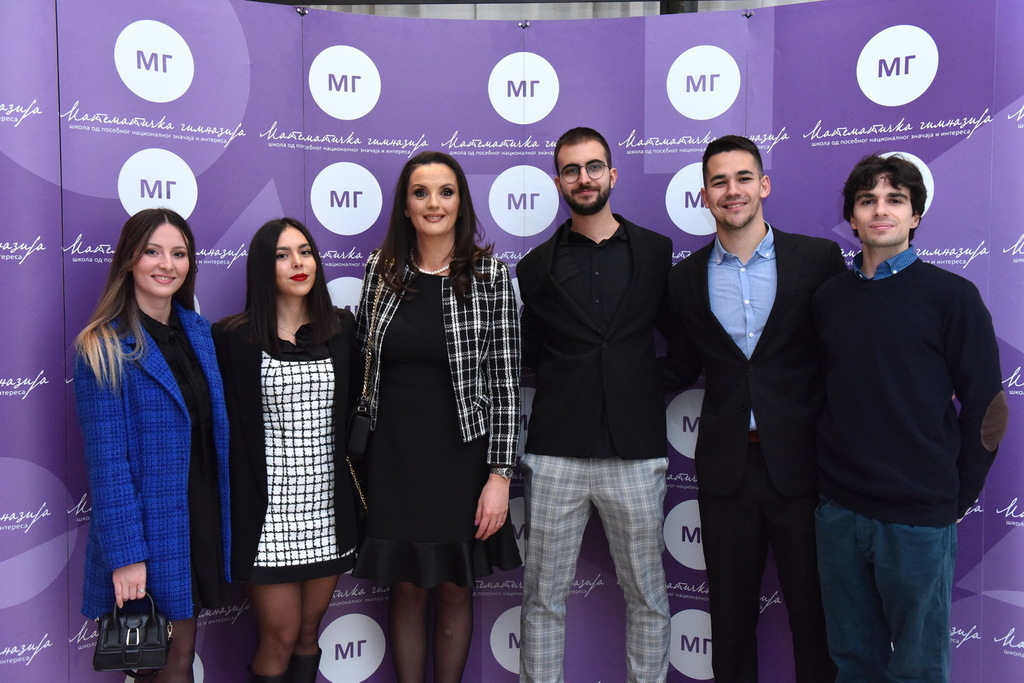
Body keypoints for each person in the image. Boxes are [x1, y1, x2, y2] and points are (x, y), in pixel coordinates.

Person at [813, 154, 1008, 682]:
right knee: (853, 662)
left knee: (919, 667)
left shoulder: (952, 297)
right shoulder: (828, 299)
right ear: (852, 218)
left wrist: (954, 498)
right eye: (868, 200)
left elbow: (989, 409)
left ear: (915, 215)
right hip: (839, 513)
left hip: (918, 519)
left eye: (895, 200)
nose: (881, 210)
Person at [661, 135, 843, 682]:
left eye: (743, 178)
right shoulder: (684, 278)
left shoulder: (817, 259)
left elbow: (845, 351)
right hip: (727, 471)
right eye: (719, 182)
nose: (732, 190)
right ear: (704, 196)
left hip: (805, 468)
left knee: (816, 619)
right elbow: (680, 365)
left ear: (763, 185)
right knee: (730, 621)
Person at [351, 150, 522, 683]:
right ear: (405, 206)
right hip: (393, 457)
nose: (433, 203)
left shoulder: (491, 277)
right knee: (405, 588)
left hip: (460, 456)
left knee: (453, 588)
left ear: (461, 203)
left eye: (445, 192)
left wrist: (499, 476)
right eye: (420, 192)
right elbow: (364, 364)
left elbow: (506, 385)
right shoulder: (380, 272)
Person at [517, 126, 672, 683]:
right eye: (571, 170)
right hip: (556, 452)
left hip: (636, 451)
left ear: (612, 174)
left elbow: (682, 341)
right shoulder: (535, 267)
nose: (583, 178)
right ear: (558, 181)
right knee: (542, 598)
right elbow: (529, 352)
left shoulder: (655, 252)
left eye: (593, 167)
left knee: (648, 596)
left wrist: (641, 385)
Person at [74, 208, 231, 682]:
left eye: (179, 253)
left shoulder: (200, 333)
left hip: (197, 522)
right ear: (129, 260)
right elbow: (108, 465)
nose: (167, 264)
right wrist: (127, 556)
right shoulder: (102, 346)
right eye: (152, 251)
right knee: (155, 666)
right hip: (146, 532)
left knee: (181, 656)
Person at [212, 218, 361, 683]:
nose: (298, 263)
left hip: (326, 509)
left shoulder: (342, 329)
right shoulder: (232, 338)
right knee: (279, 636)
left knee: (308, 635)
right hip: (266, 515)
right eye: (282, 255)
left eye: (305, 251)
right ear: (263, 266)